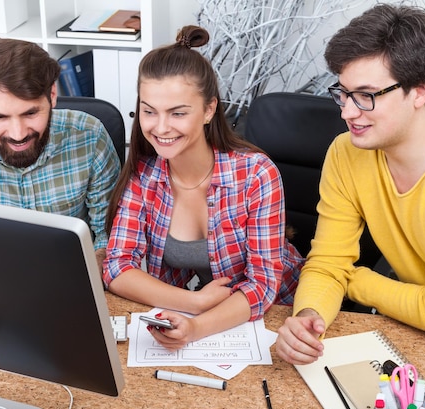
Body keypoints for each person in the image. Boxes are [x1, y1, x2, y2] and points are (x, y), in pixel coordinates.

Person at [275, 4, 425, 409]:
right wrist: (309, 314)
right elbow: (327, 262)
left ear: (420, 90)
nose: (347, 112)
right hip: (412, 320)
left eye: (366, 96)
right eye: (343, 93)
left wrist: (355, 280)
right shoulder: (346, 153)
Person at [103, 25, 304, 350]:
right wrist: (192, 303)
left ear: (209, 109)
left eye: (178, 113)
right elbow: (116, 267)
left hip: (278, 318)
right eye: (149, 111)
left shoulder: (256, 174)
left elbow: (263, 284)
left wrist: (197, 326)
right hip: (200, 313)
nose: (161, 128)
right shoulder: (145, 175)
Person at [0, 37, 121, 269]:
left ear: (52, 96)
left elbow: (110, 235)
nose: (18, 134)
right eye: (0, 117)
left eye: (30, 113)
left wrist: (92, 269)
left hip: (73, 274)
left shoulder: (90, 137)